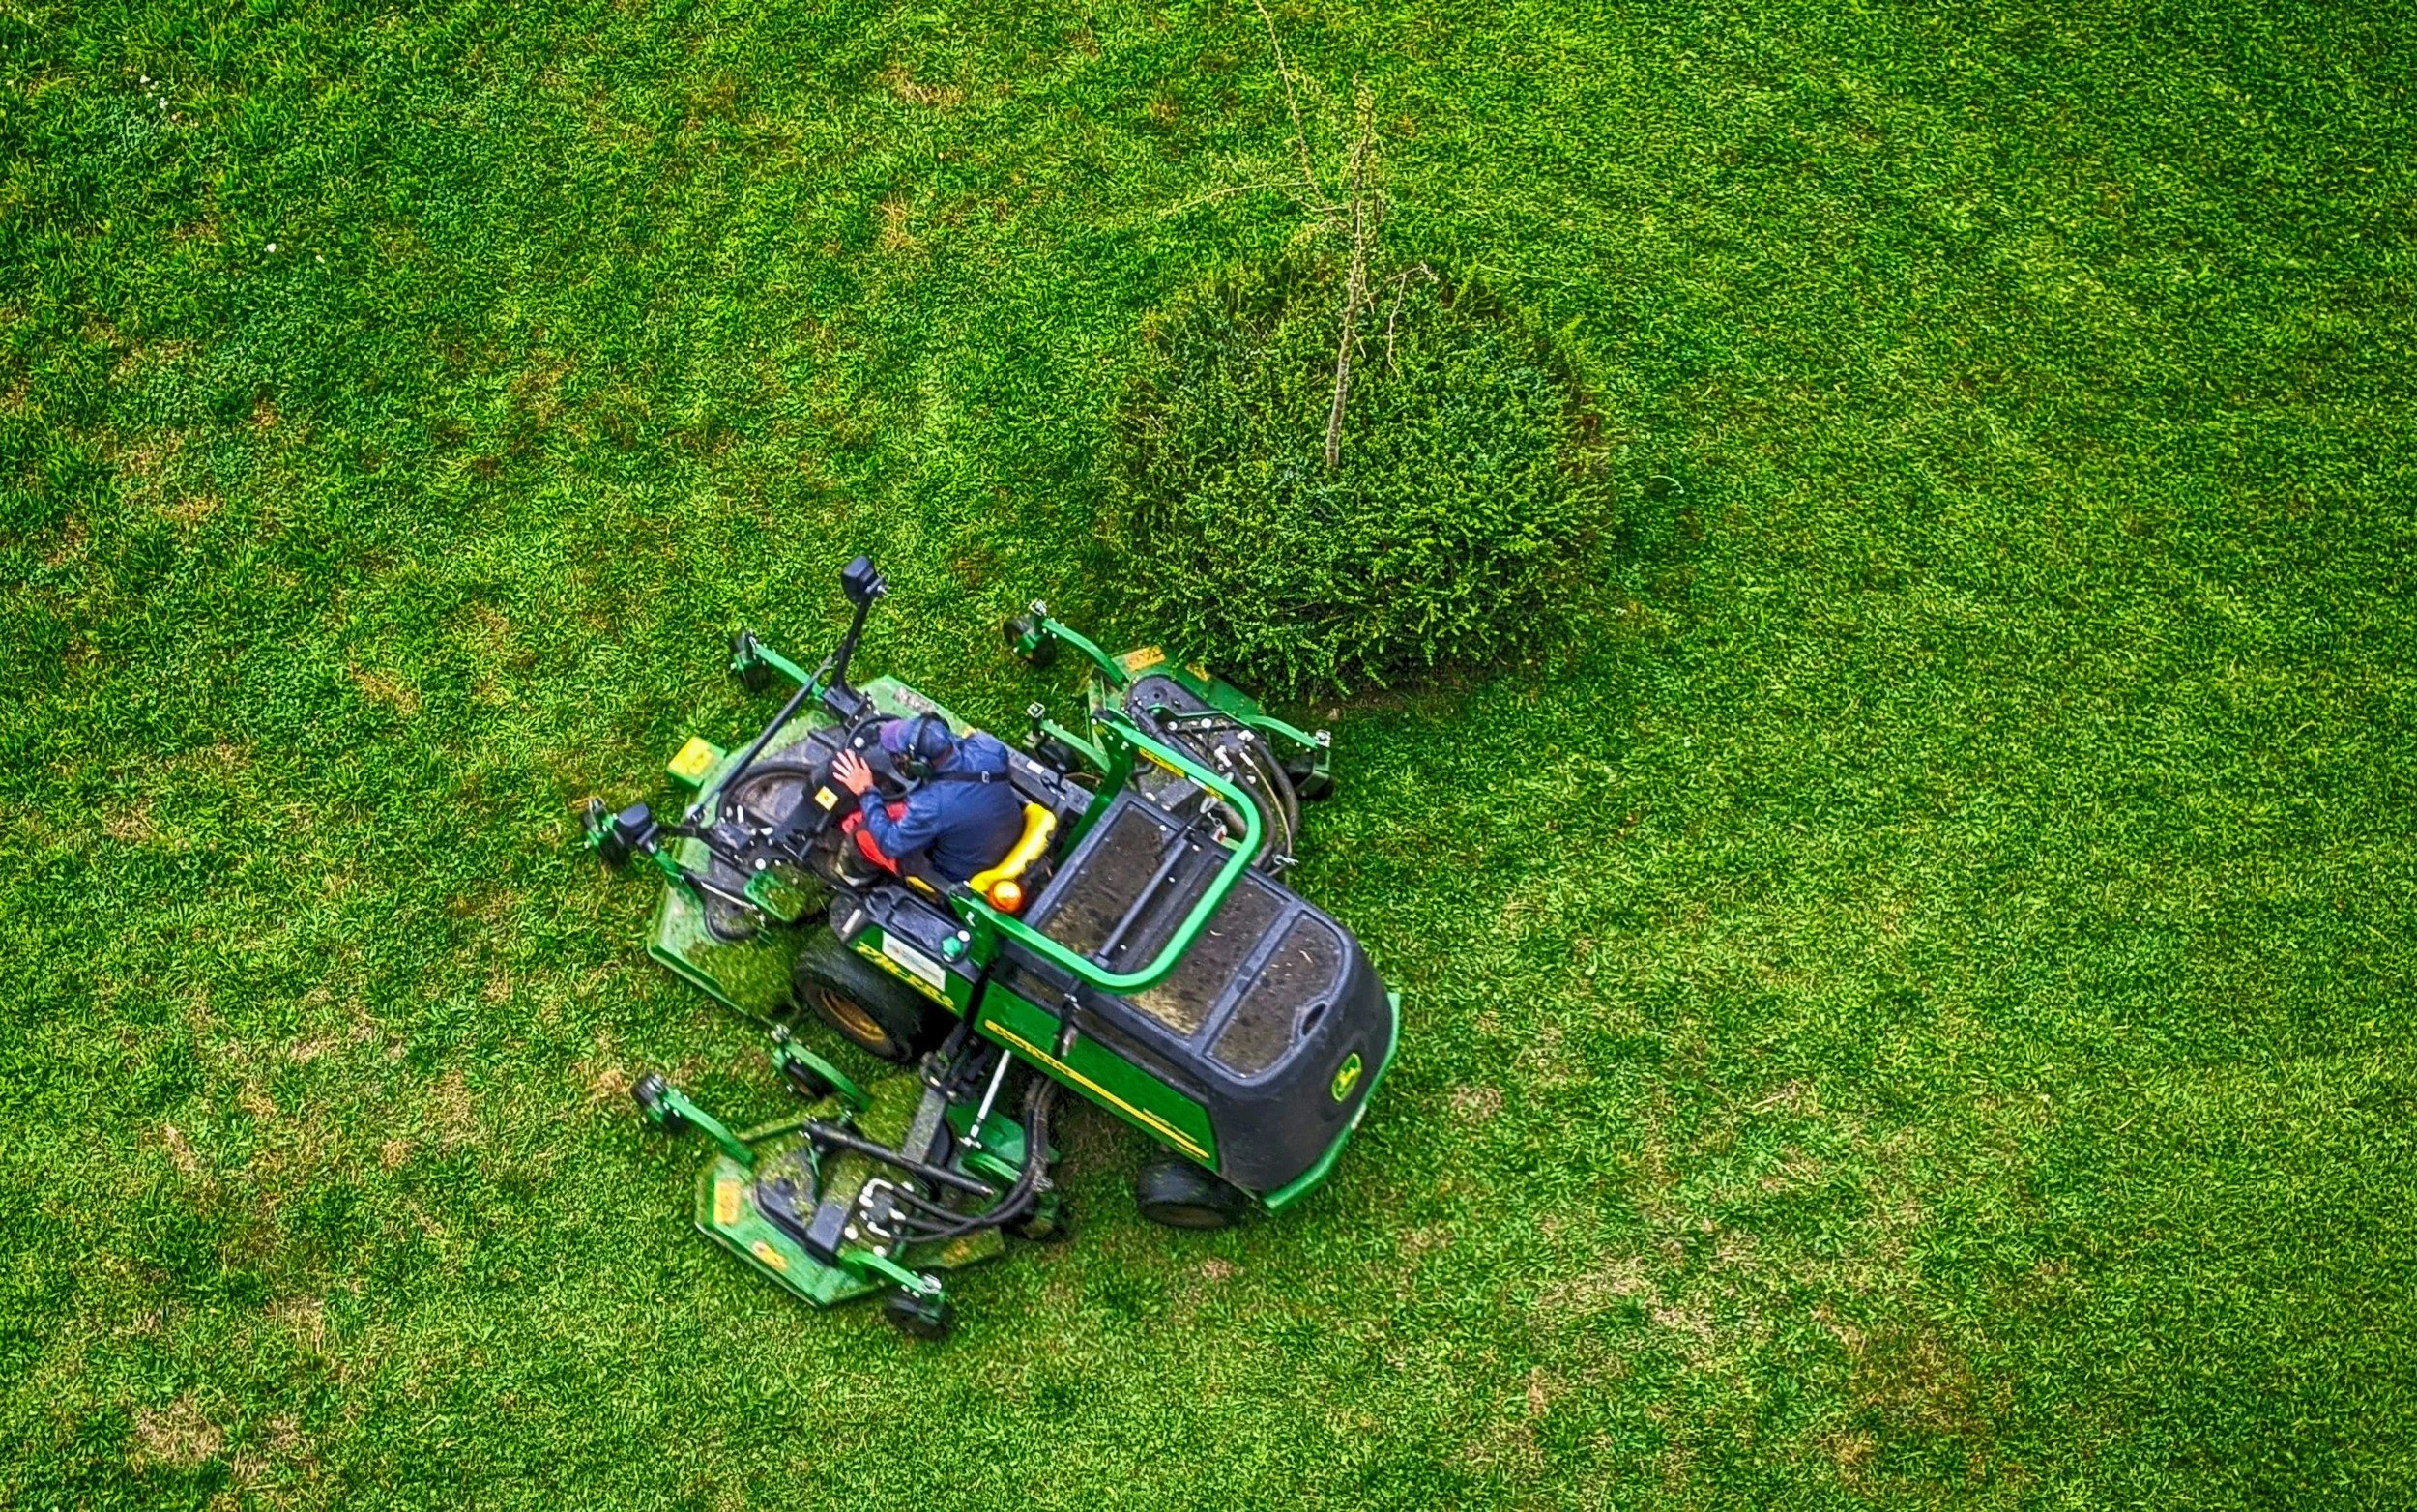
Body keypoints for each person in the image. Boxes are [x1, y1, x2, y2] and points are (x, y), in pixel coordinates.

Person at [830, 714, 1024, 884]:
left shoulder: (930, 805)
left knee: (862, 835)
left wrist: (865, 790)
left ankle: (851, 877)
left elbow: (890, 844)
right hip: (1004, 830)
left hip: (962, 871)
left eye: (901, 757)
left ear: (921, 766)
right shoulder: (987, 747)